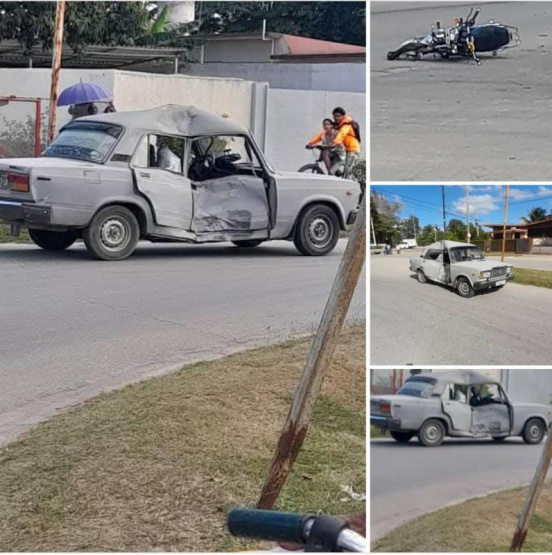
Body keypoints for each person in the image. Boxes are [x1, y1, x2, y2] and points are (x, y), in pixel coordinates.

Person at [331, 107, 361, 179]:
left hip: (353, 148)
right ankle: (336, 173)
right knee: (336, 159)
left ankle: (346, 184)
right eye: (335, 116)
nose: (336, 118)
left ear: (343, 116)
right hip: (347, 148)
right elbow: (324, 133)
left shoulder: (347, 124)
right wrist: (312, 142)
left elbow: (342, 134)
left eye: (338, 116)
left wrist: (336, 142)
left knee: (348, 168)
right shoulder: (339, 125)